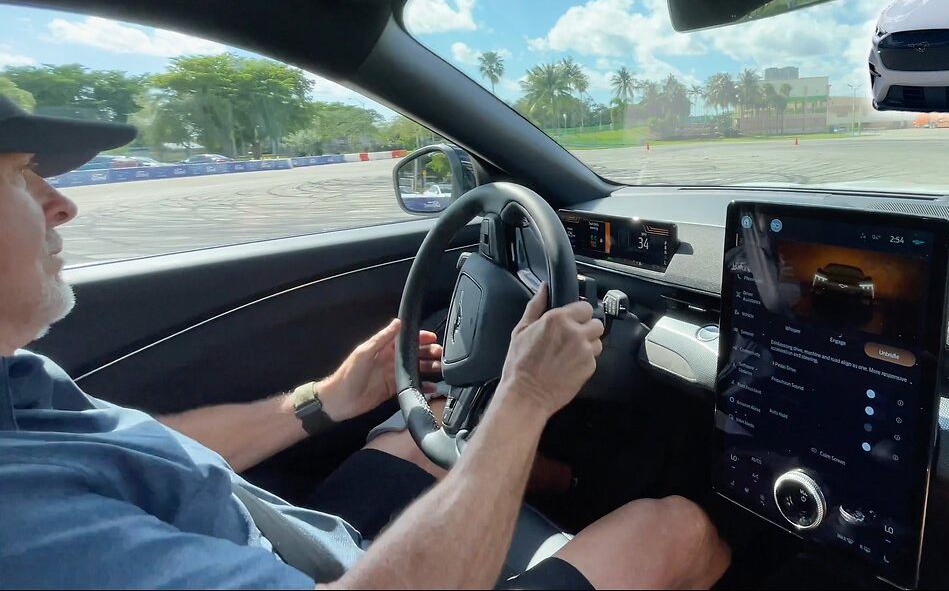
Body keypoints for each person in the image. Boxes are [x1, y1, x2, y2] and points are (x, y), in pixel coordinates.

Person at [0, 95, 730, 589]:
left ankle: (574, 487)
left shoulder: (18, 383)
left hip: (280, 541)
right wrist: (527, 396)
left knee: (425, 431)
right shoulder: (24, 523)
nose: (60, 204)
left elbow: (141, 449)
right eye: (21, 178)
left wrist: (320, 402)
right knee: (676, 529)